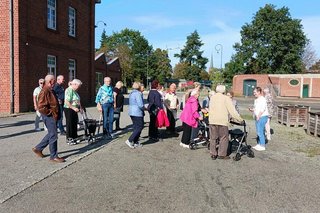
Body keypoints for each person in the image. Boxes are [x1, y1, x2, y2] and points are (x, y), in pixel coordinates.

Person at [32, 74, 65, 163]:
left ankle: (38, 148)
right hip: (49, 116)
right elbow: (41, 106)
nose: (55, 82)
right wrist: (51, 113)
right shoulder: (45, 91)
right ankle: (53, 156)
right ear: (50, 81)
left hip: (52, 115)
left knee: (51, 133)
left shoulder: (50, 90)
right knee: (54, 135)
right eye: (54, 80)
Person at [208, 85, 243, 160]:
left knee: (213, 138)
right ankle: (222, 154)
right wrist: (240, 119)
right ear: (223, 90)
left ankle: (213, 153)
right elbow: (232, 111)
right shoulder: (226, 98)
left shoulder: (212, 98)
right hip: (222, 121)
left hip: (212, 120)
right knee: (223, 138)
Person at [125, 82, 145, 148]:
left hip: (131, 112)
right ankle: (130, 140)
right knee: (140, 127)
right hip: (137, 112)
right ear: (139, 86)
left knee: (136, 127)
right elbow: (140, 104)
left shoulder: (131, 93)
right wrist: (145, 108)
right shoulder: (138, 94)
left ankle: (135, 141)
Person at [249, 87, 269, 151]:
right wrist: (252, 110)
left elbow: (262, 109)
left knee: (260, 131)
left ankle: (262, 145)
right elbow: (256, 108)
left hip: (262, 117)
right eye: (254, 92)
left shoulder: (262, 99)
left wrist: (259, 116)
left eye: (255, 92)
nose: (254, 93)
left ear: (259, 92)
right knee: (258, 131)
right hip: (258, 117)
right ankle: (259, 144)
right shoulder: (256, 100)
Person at [64, 79, 82, 143]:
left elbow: (77, 100)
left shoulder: (75, 91)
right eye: (78, 86)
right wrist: (74, 108)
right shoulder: (69, 90)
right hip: (69, 109)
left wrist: (80, 108)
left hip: (75, 109)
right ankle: (69, 138)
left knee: (74, 123)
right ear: (74, 84)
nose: (79, 88)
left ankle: (75, 137)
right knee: (70, 124)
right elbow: (67, 102)